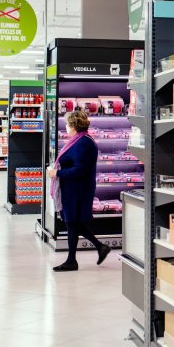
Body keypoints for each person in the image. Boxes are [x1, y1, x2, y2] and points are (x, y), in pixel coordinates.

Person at [47, 110, 111, 272]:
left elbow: (80, 169)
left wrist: (57, 173)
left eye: (68, 124)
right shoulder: (79, 140)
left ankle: (72, 260)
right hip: (71, 188)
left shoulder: (84, 143)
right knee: (72, 221)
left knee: (71, 221)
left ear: (74, 125)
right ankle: (98, 247)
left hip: (77, 189)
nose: (66, 127)